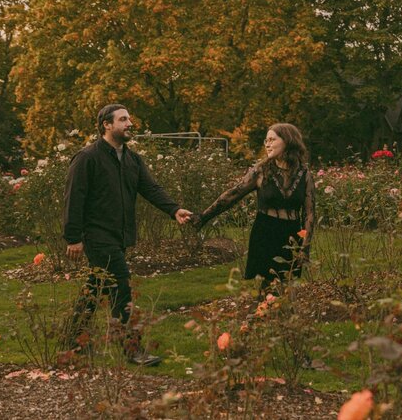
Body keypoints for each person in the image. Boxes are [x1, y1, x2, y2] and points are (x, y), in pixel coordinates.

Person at [63, 103, 192, 367]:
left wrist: (175, 209)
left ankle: (73, 341)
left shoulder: (132, 159)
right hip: (97, 236)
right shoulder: (88, 158)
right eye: (123, 119)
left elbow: (151, 188)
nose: (130, 124)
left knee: (94, 287)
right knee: (121, 288)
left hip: (120, 236)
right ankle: (133, 350)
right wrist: (73, 237)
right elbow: (73, 198)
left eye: (129, 119)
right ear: (106, 125)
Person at [194, 123, 315, 293]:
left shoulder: (305, 175)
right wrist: (203, 217)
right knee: (266, 289)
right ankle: (262, 317)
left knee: (287, 289)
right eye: (266, 140)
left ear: (288, 141)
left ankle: (282, 318)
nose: (267, 144)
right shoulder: (261, 171)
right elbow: (232, 195)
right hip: (265, 233)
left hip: (291, 236)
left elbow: (309, 214)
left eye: (272, 139)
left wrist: (305, 248)